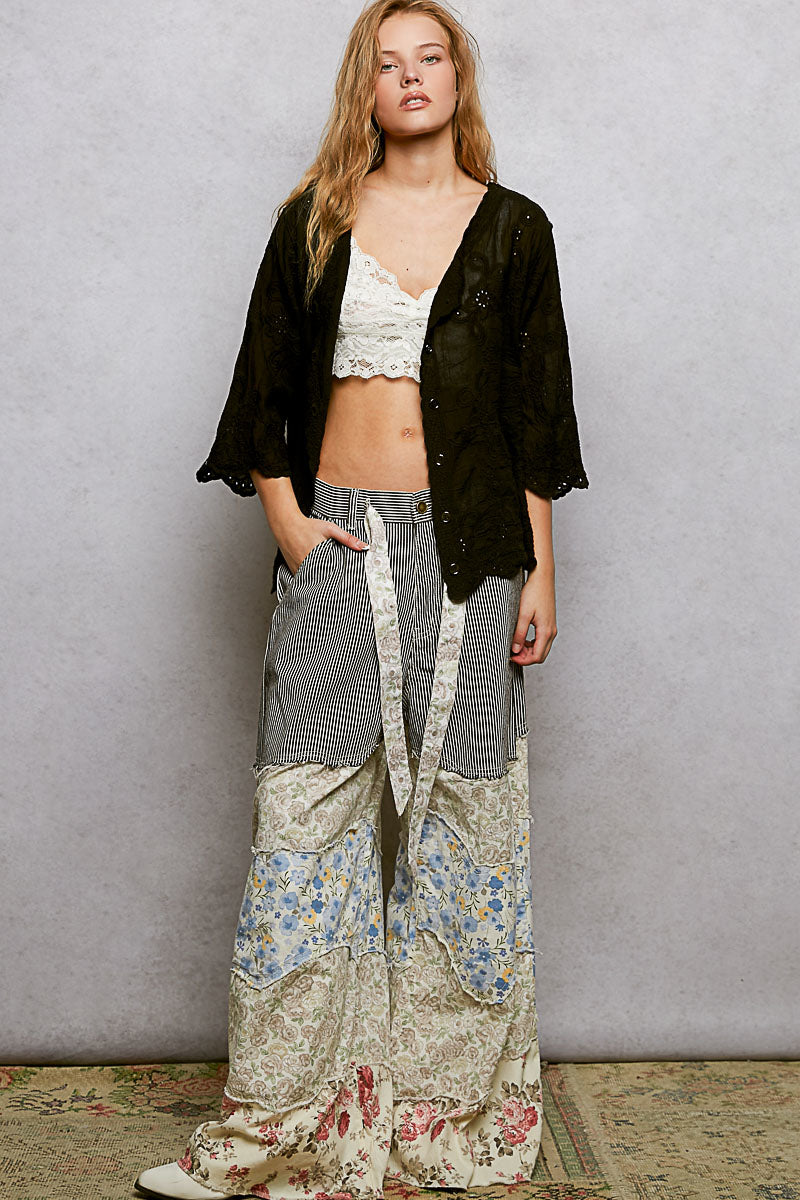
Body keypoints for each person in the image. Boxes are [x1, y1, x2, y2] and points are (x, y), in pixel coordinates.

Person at [135, 1, 588, 1197]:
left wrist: (539, 569)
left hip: (477, 551)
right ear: (366, 88)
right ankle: (279, 1120)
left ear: (457, 78)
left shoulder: (515, 228)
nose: (411, 77)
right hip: (338, 540)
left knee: (464, 825)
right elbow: (263, 386)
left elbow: (534, 414)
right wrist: (288, 525)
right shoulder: (314, 220)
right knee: (303, 822)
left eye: (429, 57)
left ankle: (441, 1111)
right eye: (388, 63)